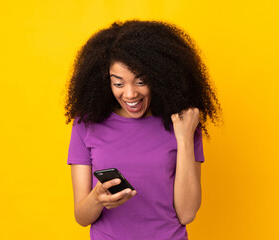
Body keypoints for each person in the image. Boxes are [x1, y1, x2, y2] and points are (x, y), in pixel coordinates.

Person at [64, 20, 221, 240]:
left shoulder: (182, 124)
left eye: (140, 81)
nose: (129, 94)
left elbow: (186, 214)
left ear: (160, 78)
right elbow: (82, 217)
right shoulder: (86, 125)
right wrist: (97, 199)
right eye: (118, 84)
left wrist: (184, 138)